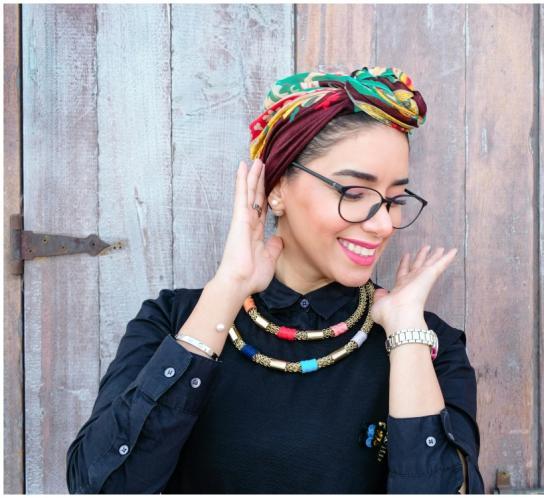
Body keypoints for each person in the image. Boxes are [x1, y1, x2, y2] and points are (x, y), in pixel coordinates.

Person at [66, 66, 484, 493]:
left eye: (395, 200)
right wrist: (228, 289)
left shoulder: (430, 343)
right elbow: (101, 486)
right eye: (353, 193)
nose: (383, 225)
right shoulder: (172, 321)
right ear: (277, 188)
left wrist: (407, 336)